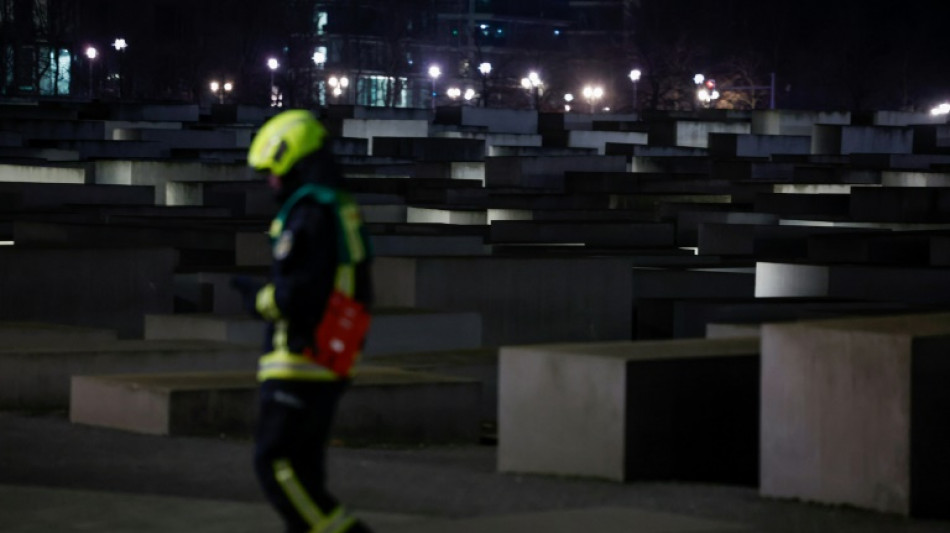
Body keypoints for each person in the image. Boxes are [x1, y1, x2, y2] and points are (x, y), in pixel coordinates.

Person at [232, 109, 374, 533]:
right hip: (327, 354)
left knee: (276, 461)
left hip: (302, 358)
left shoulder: (311, 212)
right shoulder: (337, 207)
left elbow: (301, 293)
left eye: (275, 172)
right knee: (305, 471)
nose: (271, 182)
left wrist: (257, 299)